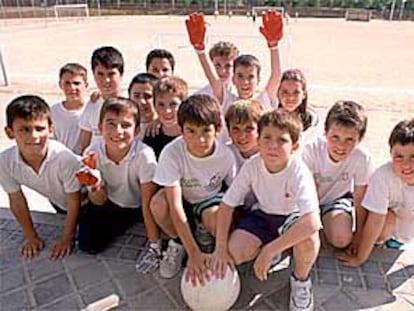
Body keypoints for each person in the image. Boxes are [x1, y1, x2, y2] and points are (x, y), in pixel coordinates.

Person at [212, 110, 321, 311]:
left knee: (309, 238)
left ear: (294, 146)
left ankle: (300, 280)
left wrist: (270, 250)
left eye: (282, 140)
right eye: (267, 138)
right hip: (262, 215)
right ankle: (275, 248)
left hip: (291, 217)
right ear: (259, 142)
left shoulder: (299, 171)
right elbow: (227, 205)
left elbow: (313, 222)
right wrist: (219, 249)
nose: (273, 145)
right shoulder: (253, 165)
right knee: (235, 252)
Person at [151, 94, 237, 281]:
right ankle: (179, 242)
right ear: (181, 130)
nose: (200, 140)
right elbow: (175, 206)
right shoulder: (172, 152)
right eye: (191, 131)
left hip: (208, 200)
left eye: (206, 131)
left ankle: (205, 234)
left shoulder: (226, 156)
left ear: (218, 129)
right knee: (158, 204)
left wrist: (222, 247)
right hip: (182, 199)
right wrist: (193, 253)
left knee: (216, 217)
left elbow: (232, 200)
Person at [0, 95, 82, 259]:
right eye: (24, 129)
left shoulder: (64, 158)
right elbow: (16, 199)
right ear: (9, 132)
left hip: (88, 201)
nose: (33, 136)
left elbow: (75, 199)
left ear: (51, 129)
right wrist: (31, 237)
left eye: (39, 128)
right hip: (60, 202)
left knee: (90, 243)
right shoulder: (5, 162)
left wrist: (67, 238)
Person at [77, 97, 158, 254]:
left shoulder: (144, 155)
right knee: (88, 246)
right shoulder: (92, 153)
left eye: (126, 125)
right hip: (110, 202)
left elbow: (147, 200)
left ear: (137, 131)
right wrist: (95, 186)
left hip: (138, 204)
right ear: (100, 127)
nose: (118, 131)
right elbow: (98, 200)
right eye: (111, 124)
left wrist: (154, 244)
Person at [336, 118, 414, 267]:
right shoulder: (383, 176)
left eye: (413, 157)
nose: (406, 164)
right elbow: (375, 220)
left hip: (409, 231)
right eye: (399, 156)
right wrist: (360, 257)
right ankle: (382, 244)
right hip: (388, 230)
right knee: (386, 217)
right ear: (390, 153)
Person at [302, 101, 373, 250]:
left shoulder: (362, 157)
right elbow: (307, 192)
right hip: (306, 202)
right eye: (335, 137)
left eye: (350, 140)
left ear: (360, 139)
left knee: (341, 239)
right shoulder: (311, 150)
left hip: (336, 200)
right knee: (305, 238)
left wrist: (359, 233)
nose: (341, 146)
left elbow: (360, 196)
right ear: (325, 131)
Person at [185, 11, 282, 113]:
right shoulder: (227, 101)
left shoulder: (263, 102)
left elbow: (276, 76)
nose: (245, 82)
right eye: (240, 76)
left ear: (258, 80)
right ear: (233, 79)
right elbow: (212, 78)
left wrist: (273, 46)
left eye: (251, 76)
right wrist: (200, 50)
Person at [79, 46, 124, 153]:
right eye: (100, 74)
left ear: (121, 74)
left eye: (111, 74)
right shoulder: (92, 104)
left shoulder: (130, 105)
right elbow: (85, 142)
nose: (106, 80)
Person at [143, 76, 188, 159]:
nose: (167, 110)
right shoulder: (152, 134)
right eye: (161, 104)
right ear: (154, 105)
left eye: (173, 104)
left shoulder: (191, 134)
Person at [51, 63, 88, 154]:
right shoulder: (53, 111)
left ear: (85, 85)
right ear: (60, 84)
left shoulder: (91, 108)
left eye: (76, 83)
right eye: (67, 83)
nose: (72, 88)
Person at [277, 69, 321, 145]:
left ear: (304, 94)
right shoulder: (270, 119)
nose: (290, 97)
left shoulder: (312, 120)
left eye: (296, 92)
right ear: (277, 93)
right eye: (285, 92)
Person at [224, 99, 263, 171]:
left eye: (249, 129)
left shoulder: (267, 155)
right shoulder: (224, 153)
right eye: (236, 129)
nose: (242, 136)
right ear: (229, 131)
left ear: (260, 130)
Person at [128, 72, 159, 139]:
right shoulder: (122, 128)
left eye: (147, 96)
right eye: (136, 96)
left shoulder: (164, 128)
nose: (141, 101)